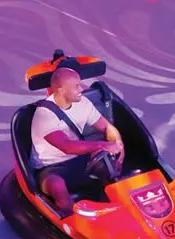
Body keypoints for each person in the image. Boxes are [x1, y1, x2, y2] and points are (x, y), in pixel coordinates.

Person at [31, 65, 125, 216]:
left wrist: (118, 144)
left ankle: (117, 210)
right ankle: (72, 221)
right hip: (51, 168)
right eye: (76, 86)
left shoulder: (83, 103)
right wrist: (105, 145)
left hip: (80, 161)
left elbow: (107, 127)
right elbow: (67, 147)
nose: (81, 89)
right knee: (58, 186)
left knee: (109, 167)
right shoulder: (44, 116)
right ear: (61, 90)